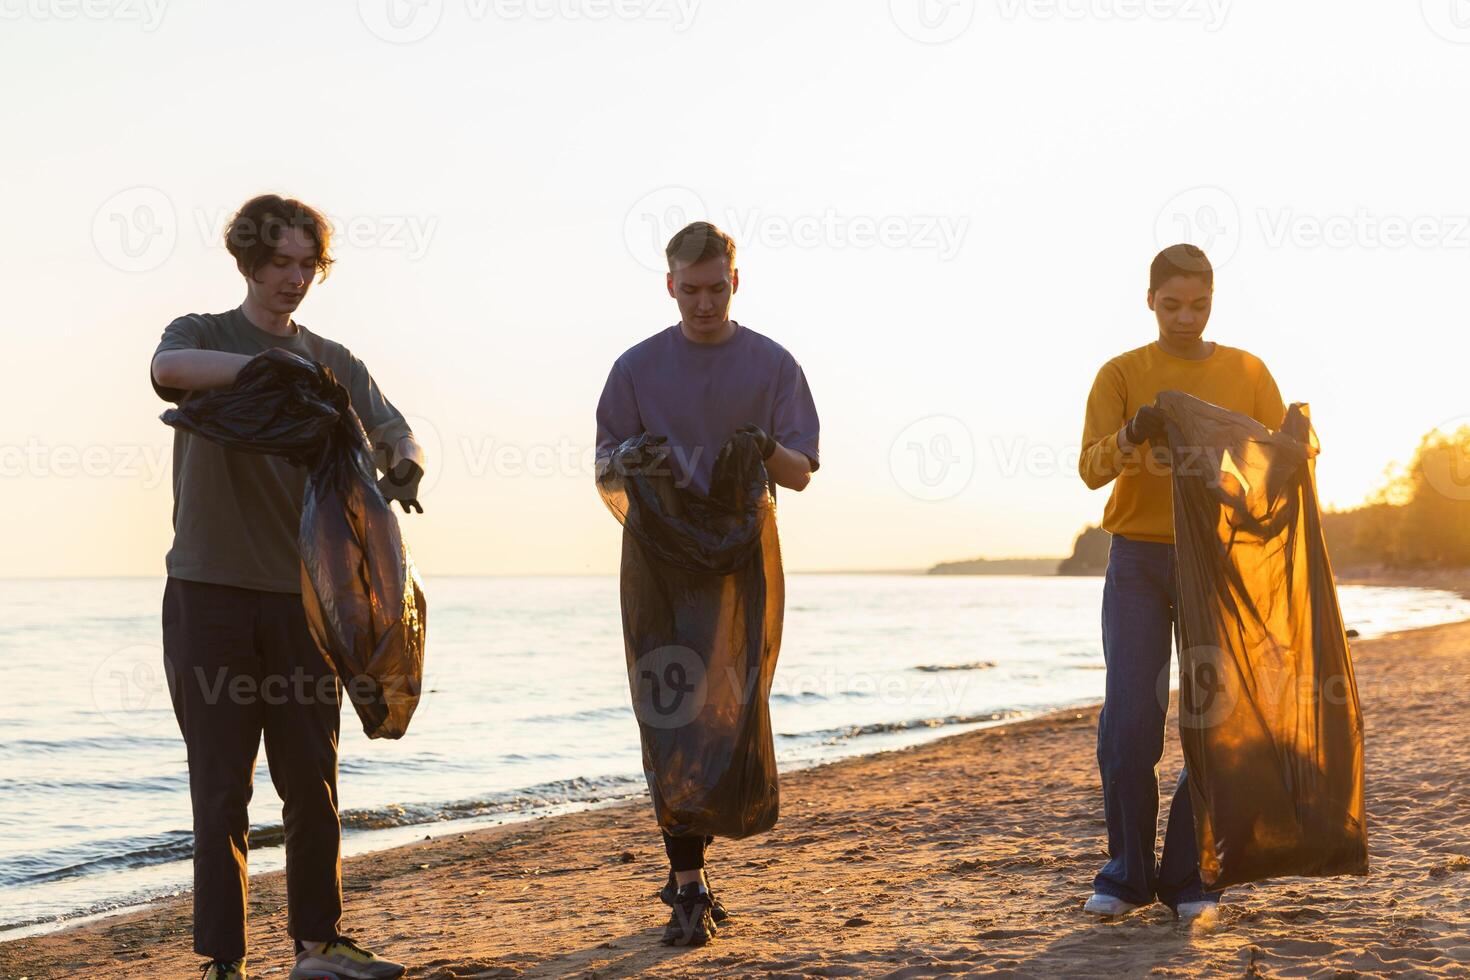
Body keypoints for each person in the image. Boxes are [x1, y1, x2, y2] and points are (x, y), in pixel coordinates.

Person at [149, 194, 423, 980]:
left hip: (310, 601)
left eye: (308, 265)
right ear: (249, 261)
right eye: (280, 263)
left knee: (312, 780)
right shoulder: (203, 334)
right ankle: (223, 961)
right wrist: (275, 372)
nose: (294, 280)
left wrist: (404, 462)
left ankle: (317, 945)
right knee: (221, 787)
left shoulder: (337, 361)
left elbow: (394, 428)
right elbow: (168, 372)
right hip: (209, 593)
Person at [595, 221, 820, 946]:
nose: (702, 302)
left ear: (735, 282)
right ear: (669, 286)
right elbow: (604, 472)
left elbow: (800, 472)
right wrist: (628, 455)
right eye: (689, 289)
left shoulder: (772, 364)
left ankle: (693, 865)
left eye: (715, 288)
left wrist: (765, 446)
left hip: (740, 564)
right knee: (669, 714)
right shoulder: (634, 368)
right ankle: (687, 883)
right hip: (658, 565)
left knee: (728, 710)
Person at [1076, 244, 1286, 923]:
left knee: (1209, 723)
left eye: (1198, 305)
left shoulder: (1248, 371)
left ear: (1213, 301)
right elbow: (1090, 468)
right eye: (1172, 305)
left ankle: (1189, 876)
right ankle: (1127, 874)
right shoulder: (1121, 373)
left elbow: (1280, 463)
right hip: (1135, 560)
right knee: (1130, 722)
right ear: (1150, 301)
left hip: (1215, 562)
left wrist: (1298, 443)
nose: (1185, 317)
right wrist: (1134, 431)